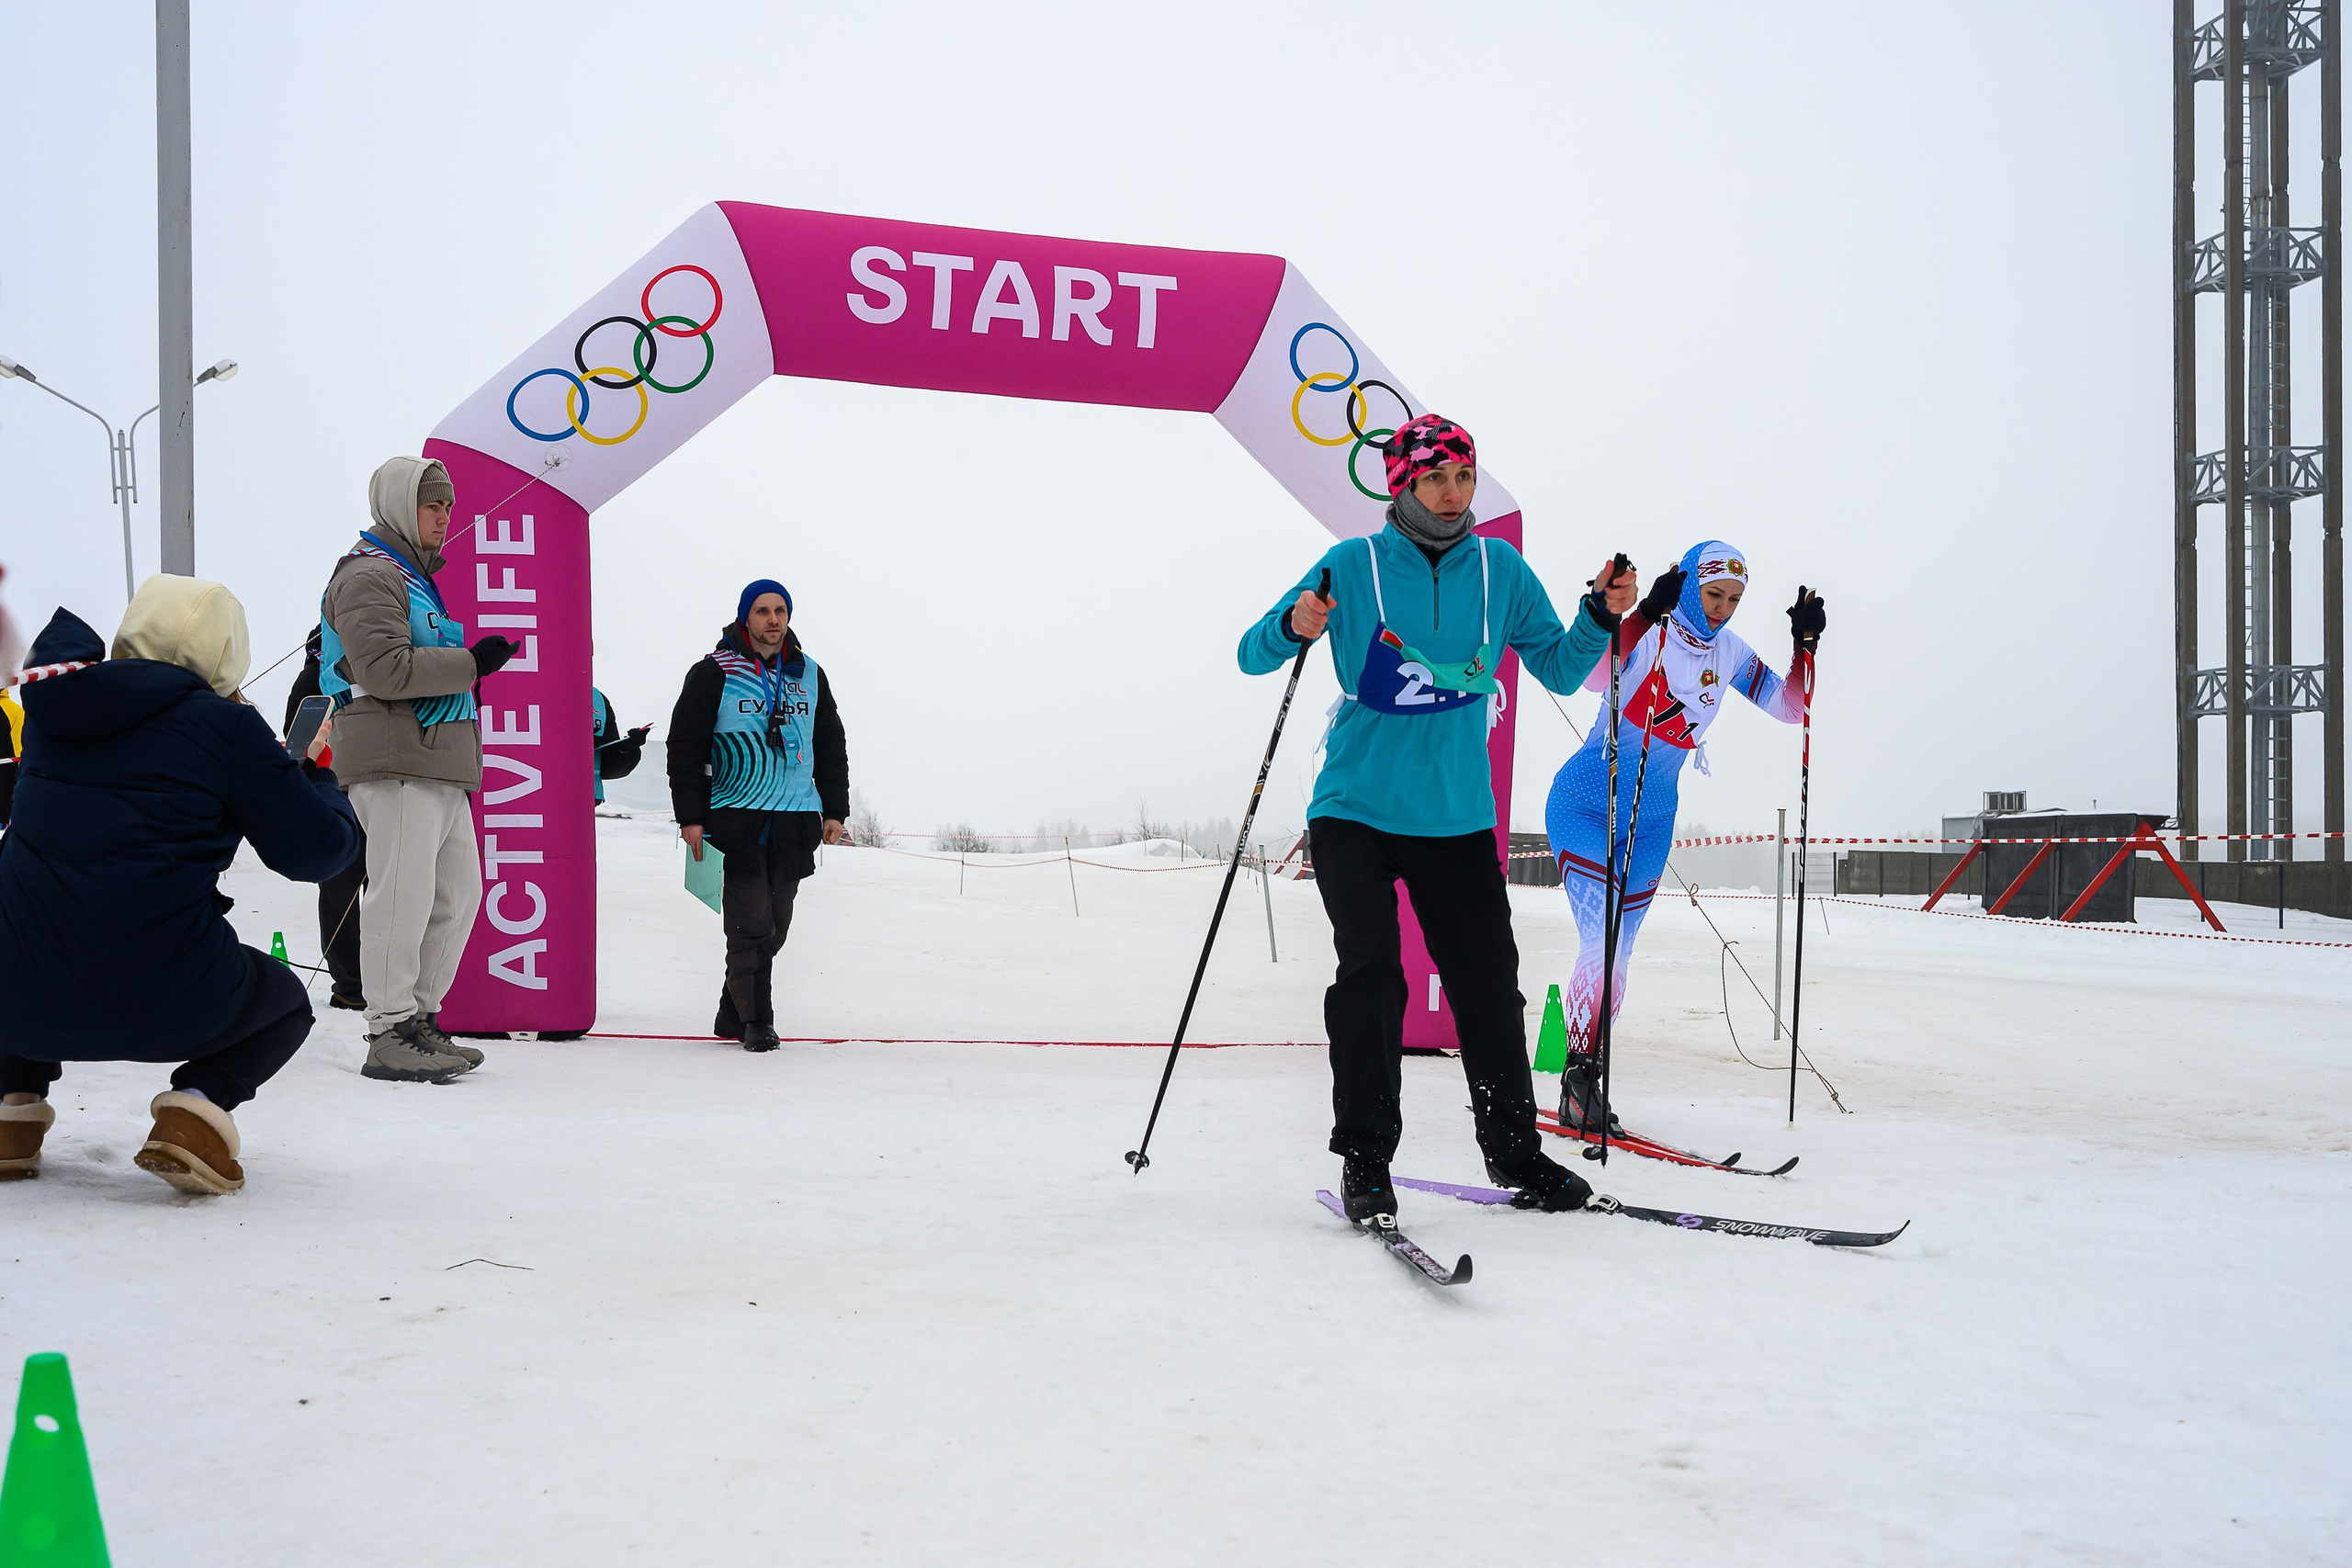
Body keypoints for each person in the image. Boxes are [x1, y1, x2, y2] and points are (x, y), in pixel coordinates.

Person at [1236, 413, 1639, 1223]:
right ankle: (1366, 1159)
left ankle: (1517, 1153)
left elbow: (1561, 670)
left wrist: (1599, 611)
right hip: (1355, 808)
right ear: (1403, 484)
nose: (1455, 493)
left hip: (1455, 818)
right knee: (1372, 975)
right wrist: (1294, 623)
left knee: (1489, 988)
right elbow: (1253, 651)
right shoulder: (1352, 565)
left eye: (1464, 477)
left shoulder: (1502, 569)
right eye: (1437, 479)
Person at [0, 581, 357, 1193]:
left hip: (16, 999)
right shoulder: (227, 729)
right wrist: (314, 777)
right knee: (283, 1003)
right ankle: (194, 1112)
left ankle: (11, 1113)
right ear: (226, 656)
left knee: (38, 929)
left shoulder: (52, 711)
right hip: (162, 994)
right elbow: (316, 852)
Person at [1543, 541, 1823, 1136]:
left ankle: (1583, 1075)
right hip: (1587, 803)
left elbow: (1792, 708)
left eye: (1734, 601)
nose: (1721, 610)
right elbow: (1595, 676)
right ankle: (1576, 1079)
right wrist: (1642, 611)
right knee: (1602, 936)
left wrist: (1804, 648)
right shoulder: (1650, 635)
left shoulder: (1731, 653)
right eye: (1713, 594)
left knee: (1618, 952)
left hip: (1652, 821)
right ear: (1690, 584)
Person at [320, 456, 516, 1083]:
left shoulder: (412, 578)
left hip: (437, 761)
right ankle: (388, 1028)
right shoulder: (369, 574)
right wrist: (471, 664)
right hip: (395, 758)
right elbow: (383, 670)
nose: (444, 517)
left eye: (449, 506)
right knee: (399, 898)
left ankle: (420, 1020)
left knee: (458, 896)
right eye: (432, 505)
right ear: (402, 507)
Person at [667, 581, 848, 1053]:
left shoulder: (809, 673)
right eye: (763, 611)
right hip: (735, 816)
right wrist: (690, 816)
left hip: (795, 819)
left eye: (780, 610)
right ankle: (758, 1021)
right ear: (745, 616)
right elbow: (685, 747)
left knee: (778, 926)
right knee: (750, 924)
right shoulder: (713, 672)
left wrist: (835, 809)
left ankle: (733, 1009)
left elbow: (830, 745)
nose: (773, 620)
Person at [284, 624, 366, 1010]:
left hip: (344, 789)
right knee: (344, 887)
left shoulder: (315, 675)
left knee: (344, 888)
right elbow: (296, 741)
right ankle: (352, 983)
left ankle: (354, 982)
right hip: (341, 789)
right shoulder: (314, 678)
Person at [593, 686, 650, 804]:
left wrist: (626, 747)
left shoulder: (596, 698)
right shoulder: (545, 688)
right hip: (547, 790)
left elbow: (610, 768)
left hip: (584, 799)